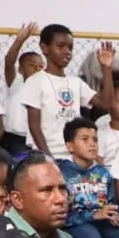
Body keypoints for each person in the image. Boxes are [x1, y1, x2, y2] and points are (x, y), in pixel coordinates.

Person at [23, 27, 110, 160]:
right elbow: (34, 124)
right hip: (49, 154)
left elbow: (106, 103)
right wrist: (48, 157)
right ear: (44, 48)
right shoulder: (35, 81)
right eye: (60, 46)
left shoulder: (76, 82)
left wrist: (106, 68)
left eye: (70, 47)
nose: (66, 51)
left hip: (75, 155)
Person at [0, 22, 43, 154]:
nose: (37, 68)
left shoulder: (44, 86)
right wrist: (20, 40)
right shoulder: (17, 83)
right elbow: (9, 62)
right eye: (31, 65)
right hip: (10, 137)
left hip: (30, 139)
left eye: (41, 66)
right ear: (20, 69)